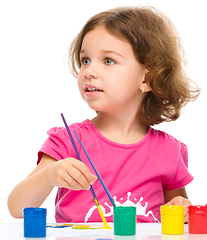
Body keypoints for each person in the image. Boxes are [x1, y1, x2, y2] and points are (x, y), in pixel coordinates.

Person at [8, 6, 200, 223]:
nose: (88, 71)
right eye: (85, 60)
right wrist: (49, 175)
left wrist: (182, 208)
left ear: (147, 79)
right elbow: (16, 206)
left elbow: (181, 215)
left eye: (108, 61)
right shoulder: (67, 141)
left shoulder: (169, 151)